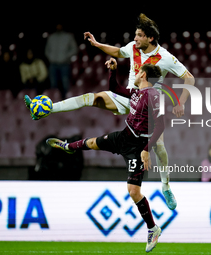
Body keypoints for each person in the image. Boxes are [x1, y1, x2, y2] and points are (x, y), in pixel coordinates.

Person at [25, 14, 195, 210]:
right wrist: (97, 44)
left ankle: (165, 187)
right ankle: (47, 109)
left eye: (139, 35)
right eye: (135, 35)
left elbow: (189, 78)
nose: (135, 39)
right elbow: (118, 52)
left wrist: (181, 102)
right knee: (92, 97)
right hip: (129, 96)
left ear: (150, 38)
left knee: (160, 149)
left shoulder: (165, 57)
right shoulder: (133, 46)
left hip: (149, 106)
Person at [46, 60, 163, 252]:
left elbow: (161, 125)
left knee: (133, 191)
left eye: (138, 70)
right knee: (93, 143)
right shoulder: (137, 93)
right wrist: (113, 70)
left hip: (137, 146)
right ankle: (68, 146)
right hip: (125, 136)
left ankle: (153, 228)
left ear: (143, 75)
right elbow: (114, 88)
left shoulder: (153, 95)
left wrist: (146, 150)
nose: (135, 72)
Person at [45, 23, 78, 99]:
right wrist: (51, 57)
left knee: (65, 84)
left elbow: (74, 49)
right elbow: (47, 50)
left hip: (64, 64)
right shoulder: (51, 37)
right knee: (53, 84)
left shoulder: (68, 36)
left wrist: (66, 57)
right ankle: (54, 102)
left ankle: (66, 102)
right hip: (53, 64)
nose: (58, 26)